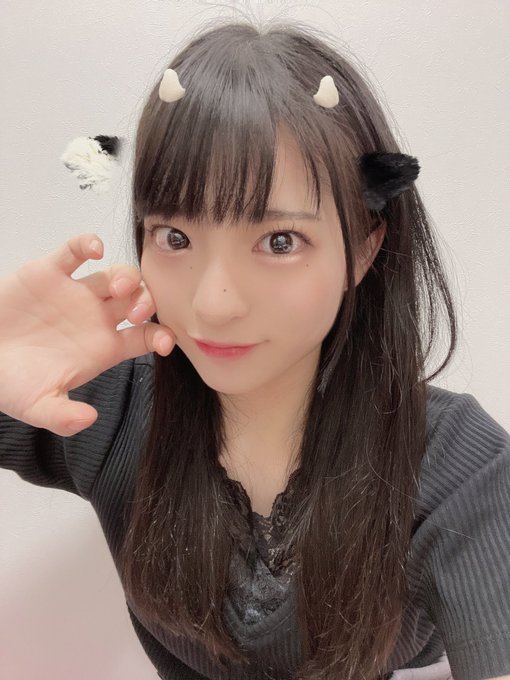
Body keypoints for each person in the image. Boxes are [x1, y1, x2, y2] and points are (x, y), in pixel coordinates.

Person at [1, 17, 509, 680]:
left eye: (278, 242)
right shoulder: (109, 405)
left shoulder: (455, 464)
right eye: (176, 238)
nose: (214, 302)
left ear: (363, 249)